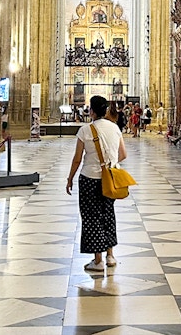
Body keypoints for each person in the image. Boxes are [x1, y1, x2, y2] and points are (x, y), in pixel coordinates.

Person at [66, 95, 127, 271]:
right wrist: (110, 163)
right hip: (111, 177)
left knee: (92, 218)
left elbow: (77, 159)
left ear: (91, 111)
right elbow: (123, 154)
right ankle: (110, 256)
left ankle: (98, 260)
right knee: (108, 213)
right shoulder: (115, 128)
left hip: (90, 179)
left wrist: (70, 178)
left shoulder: (85, 130)